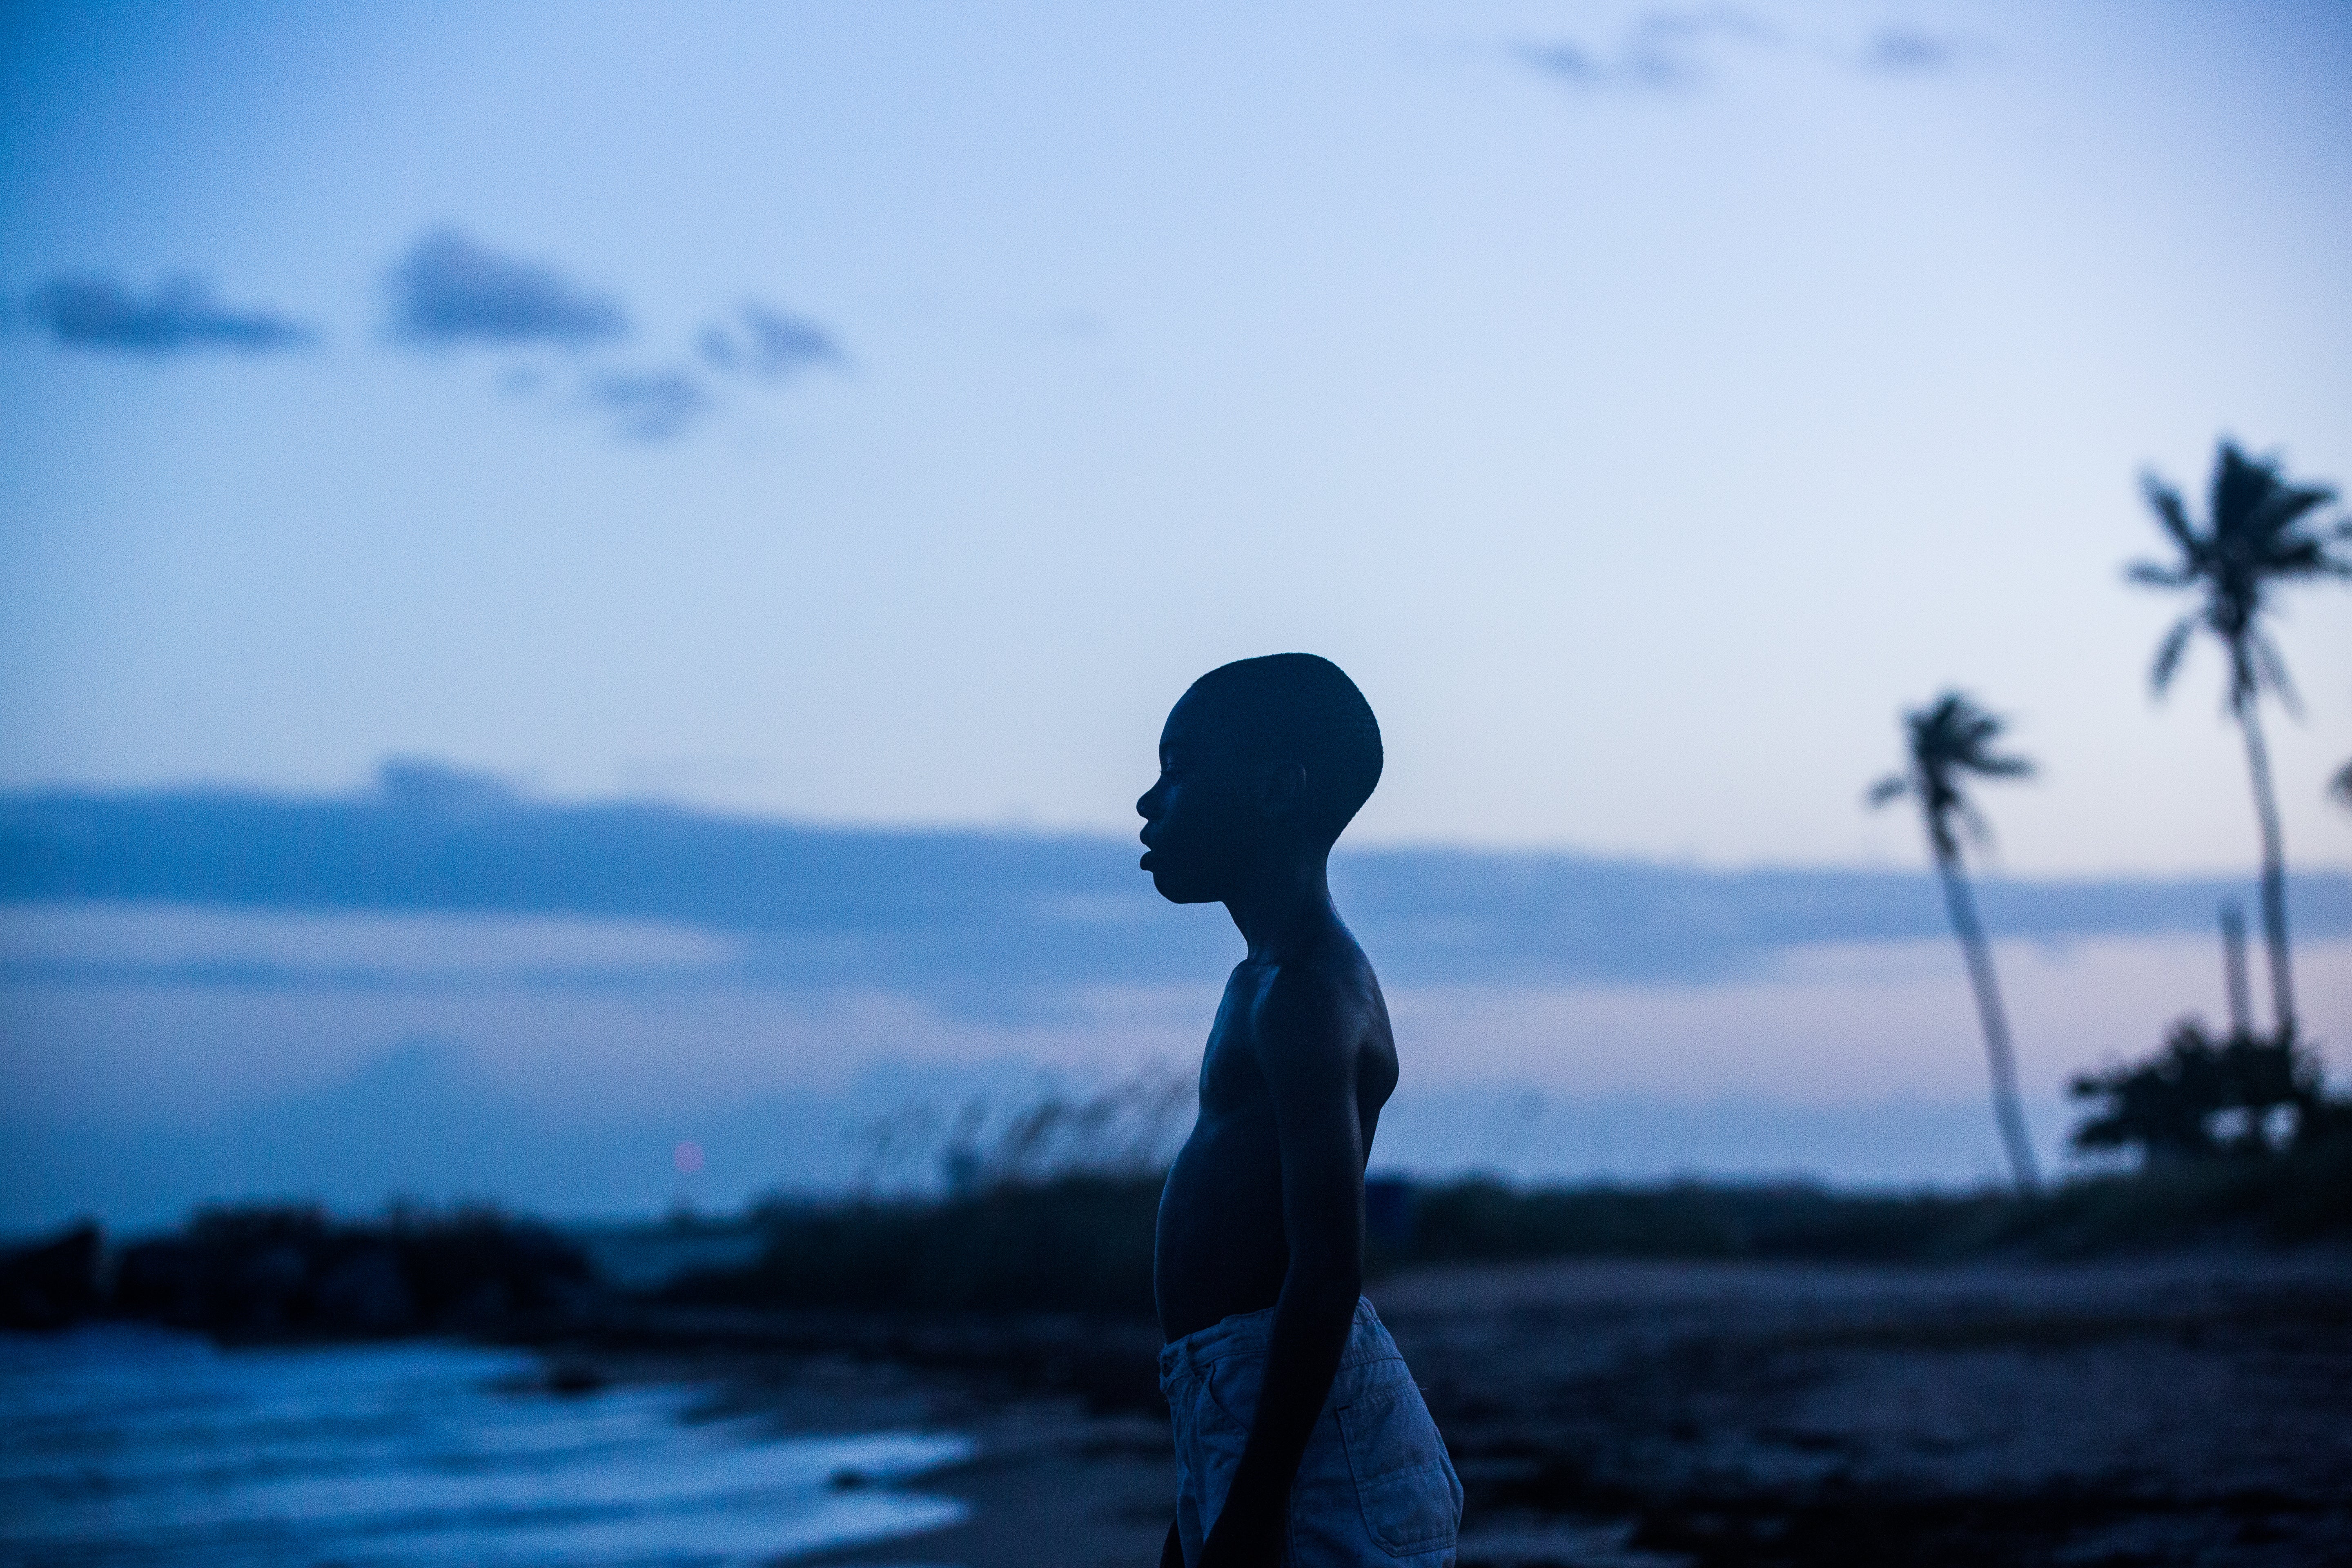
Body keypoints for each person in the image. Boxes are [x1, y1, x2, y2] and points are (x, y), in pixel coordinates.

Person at [1138, 654, 1462, 1568]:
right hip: (1254, 1409)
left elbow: (1324, 1272)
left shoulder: (1308, 994)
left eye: (1179, 770)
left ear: (1278, 790)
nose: (1148, 802)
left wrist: (1253, 1506)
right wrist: (1209, 1493)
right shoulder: (1263, 983)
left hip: (1318, 1442)